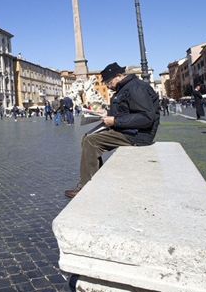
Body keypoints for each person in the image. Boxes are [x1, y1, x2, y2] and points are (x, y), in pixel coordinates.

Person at [64, 62, 160, 198]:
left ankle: (86, 187)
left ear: (119, 76)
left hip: (137, 135)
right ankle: (95, 179)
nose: (108, 86)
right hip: (129, 130)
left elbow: (146, 117)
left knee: (92, 141)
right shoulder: (126, 88)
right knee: (86, 137)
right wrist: (107, 113)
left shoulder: (135, 89)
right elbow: (126, 110)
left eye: (109, 82)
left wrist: (114, 121)